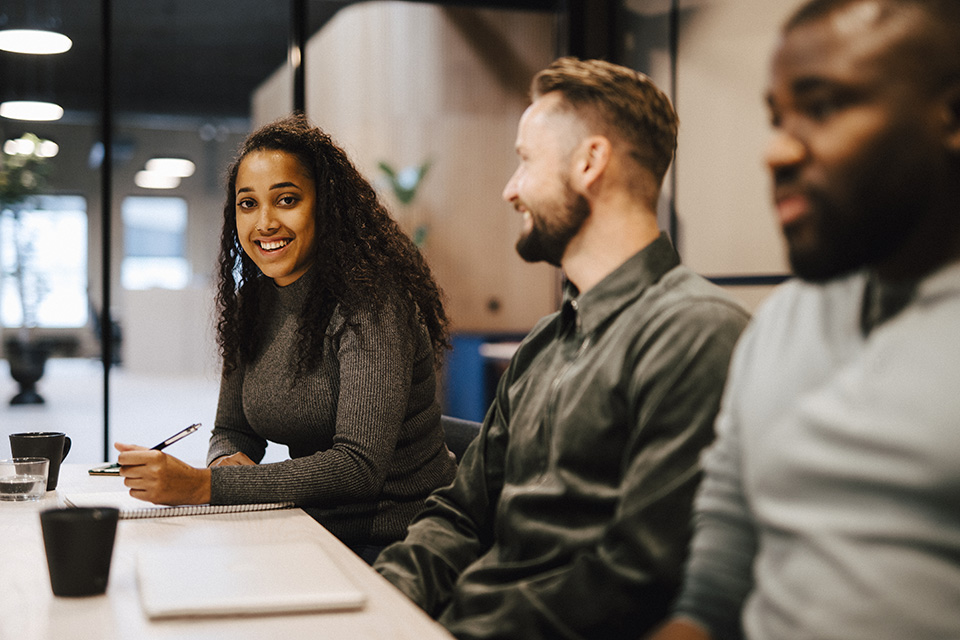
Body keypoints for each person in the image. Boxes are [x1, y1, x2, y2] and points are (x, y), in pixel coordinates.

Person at [373, 57, 750, 639]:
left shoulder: (696, 332)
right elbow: (459, 515)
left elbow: (637, 575)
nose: (509, 190)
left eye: (524, 160)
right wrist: (381, 606)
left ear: (590, 162)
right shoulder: (545, 342)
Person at [647, 1, 960, 639]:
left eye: (821, 107)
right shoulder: (784, 320)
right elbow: (722, 567)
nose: (776, 151)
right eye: (776, 117)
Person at [115, 114, 457, 562]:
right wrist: (224, 461)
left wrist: (205, 484)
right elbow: (232, 429)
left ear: (325, 206)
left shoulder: (371, 304)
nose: (265, 223)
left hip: (401, 541)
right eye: (248, 204)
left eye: (287, 199)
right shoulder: (253, 301)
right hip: (308, 525)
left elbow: (358, 469)